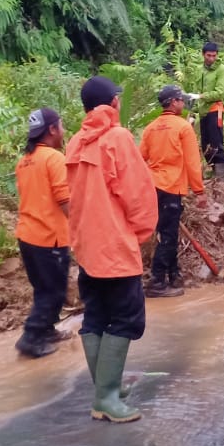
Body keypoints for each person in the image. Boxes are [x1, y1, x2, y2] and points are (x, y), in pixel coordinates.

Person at [65, 75, 158, 423]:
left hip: (87, 248)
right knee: (126, 318)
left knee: (96, 317)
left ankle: (108, 390)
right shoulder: (117, 139)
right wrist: (142, 232)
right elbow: (137, 194)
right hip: (116, 248)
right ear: (114, 103)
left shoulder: (74, 143)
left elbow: (69, 199)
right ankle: (106, 398)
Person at [13, 107, 72, 359]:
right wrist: (81, 226)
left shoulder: (24, 160)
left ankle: (47, 329)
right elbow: (63, 198)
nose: (64, 130)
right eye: (61, 125)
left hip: (27, 235)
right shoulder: (54, 158)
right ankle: (31, 337)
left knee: (43, 288)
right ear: (51, 129)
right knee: (53, 291)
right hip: (49, 237)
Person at [139, 85, 207, 298]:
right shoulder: (183, 128)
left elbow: (140, 158)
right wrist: (199, 191)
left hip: (153, 188)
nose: (182, 103)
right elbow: (192, 162)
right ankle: (157, 282)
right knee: (167, 236)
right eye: (180, 100)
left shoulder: (151, 128)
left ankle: (175, 275)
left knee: (167, 232)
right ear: (173, 102)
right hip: (171, 187)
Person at [189, 41, 224, 182]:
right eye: (208, 55)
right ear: (203, 55)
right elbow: (196, 93)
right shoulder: (199, 70)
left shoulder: (221, 70)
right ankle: (213, 173)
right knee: (205, 144)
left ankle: (223, 179)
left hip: (215, 109)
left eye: (214, 56)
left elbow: (219, 93)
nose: (211, 58)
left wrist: (201, 96)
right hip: (203, 111)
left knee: (216, 143)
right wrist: (193, 113)